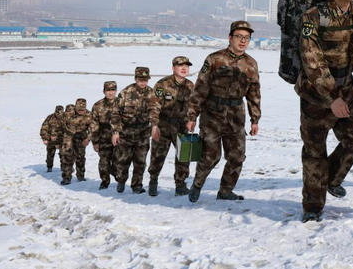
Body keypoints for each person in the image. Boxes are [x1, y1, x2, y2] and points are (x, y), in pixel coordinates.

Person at [297, 0, 353, 223]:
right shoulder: (313, 16)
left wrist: (343, 90)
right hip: (316, 92)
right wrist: (331, 97)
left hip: (347, 86)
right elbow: (311, 60)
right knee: (314, 152)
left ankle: (330, 179)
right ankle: (312, 207)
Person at [186, 20, 261, 202]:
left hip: (236, 115)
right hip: (212, 113)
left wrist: (255, 119)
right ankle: (197, 185)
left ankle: (225, 191)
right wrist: (192, 115)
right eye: (239, 36)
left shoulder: (251, 64)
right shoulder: (214, 59)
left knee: (237, 156)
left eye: (246, 38)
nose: (242, 41)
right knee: (210, 156)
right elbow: (200, 88)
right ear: (230, 38)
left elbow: (254, 93)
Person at [148, 56, 195, 197]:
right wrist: (154, 125)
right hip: (163, 125)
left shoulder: (190, 86)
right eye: (180, 66)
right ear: (173, 68)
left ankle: (180, 185)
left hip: (182, 126)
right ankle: (153, 181)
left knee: (184, 156)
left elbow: (193, 106)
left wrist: (192, 120)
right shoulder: (162, 84)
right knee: (158, 155)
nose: (184, 68)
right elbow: (154, 105)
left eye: (186, 66)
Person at [112, 66, 157, 194]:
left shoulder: (151, 93)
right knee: (123, 161)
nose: (143, 82)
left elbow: (155, 111)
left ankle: (137, 185)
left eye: (145, 80)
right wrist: (116, 132)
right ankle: (121, 181)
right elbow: (115, 113)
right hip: (126, 133)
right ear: (136, 79)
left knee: (140, 161)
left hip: (143, 133)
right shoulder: (125, 92)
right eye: (140, 79)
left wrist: (154, 126)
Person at [90, 81, 119, 189]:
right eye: (108, 90)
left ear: (115, 91)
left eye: (113, 90)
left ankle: (118, 175)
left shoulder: (122, 103)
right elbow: (94, 124)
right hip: (103, 137)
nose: (110, 93)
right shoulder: (98, 105)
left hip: (119, 137)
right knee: (104, 162)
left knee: (118, 161)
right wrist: (95, 142)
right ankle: (105, 182)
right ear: (104, 91)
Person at [60, 99, 91, 185]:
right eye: (79, 109)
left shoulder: (89, 115)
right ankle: (66, 178)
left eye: (83, 109)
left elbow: (93, 128)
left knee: (80, 157)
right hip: (68, 136)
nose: (81, 111)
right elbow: (60, 124)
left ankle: (81, 176)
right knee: (67, 156)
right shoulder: (68, 113)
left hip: (81, 137)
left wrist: (88, 139)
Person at [40, 105, 64, 172]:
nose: (59, 115)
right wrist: (45, 139)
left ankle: (64, 167)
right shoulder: (50, 118)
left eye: (60, 113)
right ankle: (49, 167)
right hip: (51, 139)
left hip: (61, 139)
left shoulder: (65, 118)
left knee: (64, 153)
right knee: (50, 153)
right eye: (57, 113)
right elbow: (43, 129)